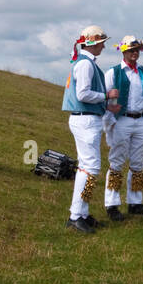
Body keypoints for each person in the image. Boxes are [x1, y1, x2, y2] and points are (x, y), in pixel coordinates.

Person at [62, 25, 114, 235]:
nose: (103, 45)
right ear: (92, 42)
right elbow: (83, 94)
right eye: (101, 41)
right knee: (90, 168)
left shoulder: (83, 63)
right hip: (86, 120)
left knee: (87, 166)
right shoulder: (85, 65)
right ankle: (76, 215)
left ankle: (81, 213)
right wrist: (106, 96)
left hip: (86, 118)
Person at [104, 36, 143, 221]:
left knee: (138, 164)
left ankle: (135, 202)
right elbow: (105, 98)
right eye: (132, 50)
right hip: (122, 120)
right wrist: (110, 121)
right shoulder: (113, 72)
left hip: (141, 120)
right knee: (116, 162)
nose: (135, 53)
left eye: (137, 50)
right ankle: (112, 204)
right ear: (123, 51)